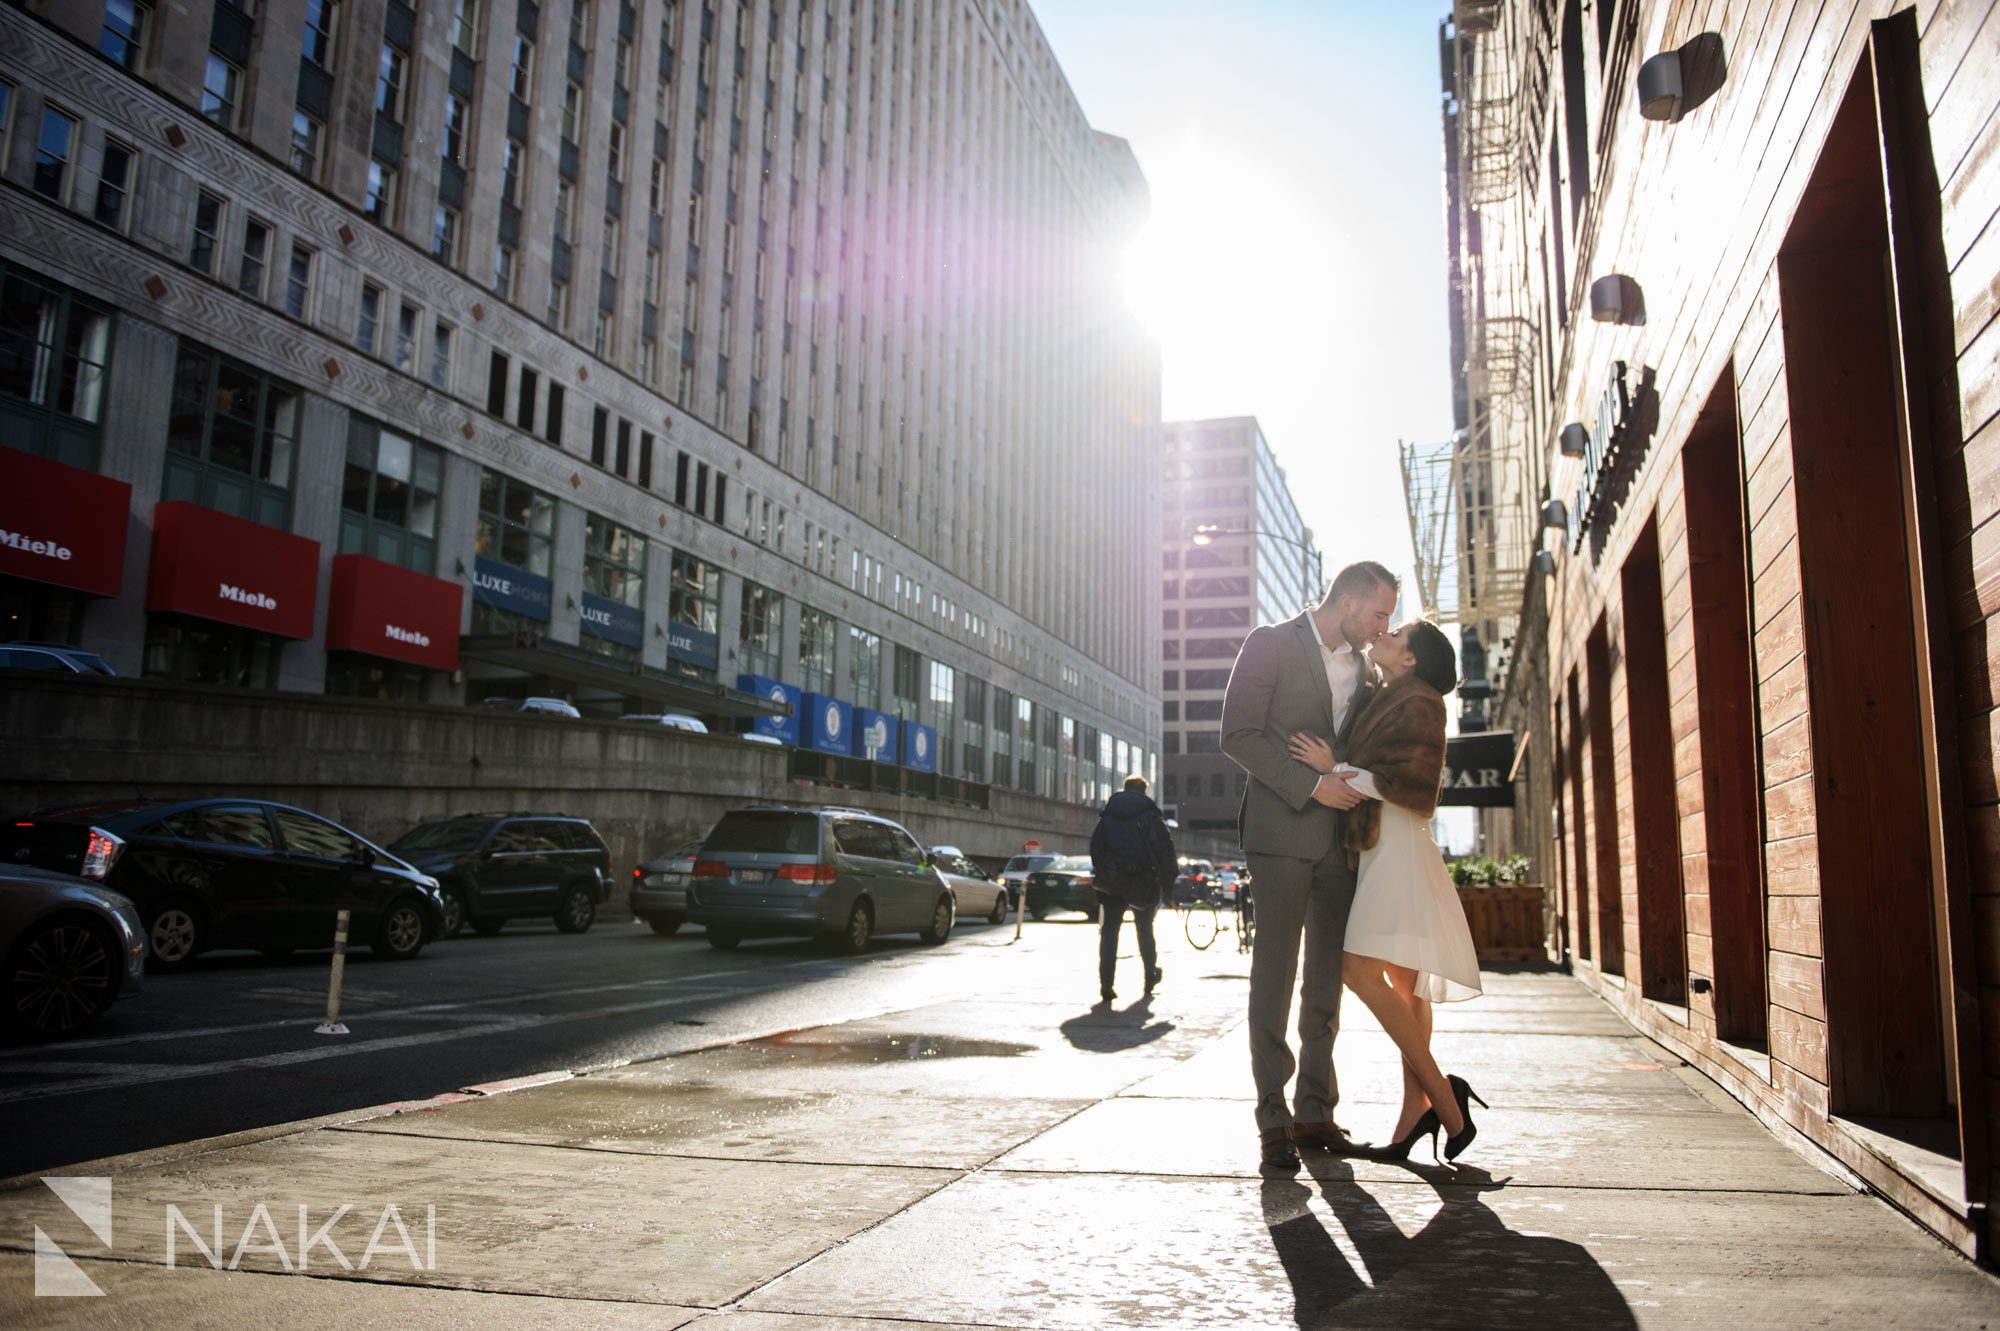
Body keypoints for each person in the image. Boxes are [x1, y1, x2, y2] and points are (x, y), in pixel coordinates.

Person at [1220, 560, 1398, 1175]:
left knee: (1325, 979)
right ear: (1347, 603)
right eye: (1378, 614)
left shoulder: (1368, 669)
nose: (1382, 627)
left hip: (1341, 841)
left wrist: (1339, 770)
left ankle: (1315, 1110)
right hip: (1280, 834)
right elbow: (1237, 735)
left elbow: (1365, 746)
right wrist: (1312, 784)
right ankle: (1273, 1117)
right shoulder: (1269, 644)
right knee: (1274, 974)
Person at [1288, 620, 1485, 1162]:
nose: (1385, 632)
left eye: (1396, 632)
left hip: (1397, 850)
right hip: (1380, 849)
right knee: (1405, 983)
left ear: (1412, 657)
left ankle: (1446, 1100)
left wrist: (1336, 770)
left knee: (1358, 971)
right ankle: (1411, 1119)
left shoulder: (1420, 701)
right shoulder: (1393, 693)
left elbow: (1417, 791)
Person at [1088, 774, 1176, 1003]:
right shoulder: (1150, 816)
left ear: (1125, 789)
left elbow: (1095, 847)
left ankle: (1106, 984)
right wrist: (1168, 884)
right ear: (1144, 791)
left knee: (1109, 932)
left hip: (1113, 882)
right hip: (1143, 882)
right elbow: (1164, 850)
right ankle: (1149, 977)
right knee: (1145, 931)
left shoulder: (1108, 815)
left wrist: (1105, 871)